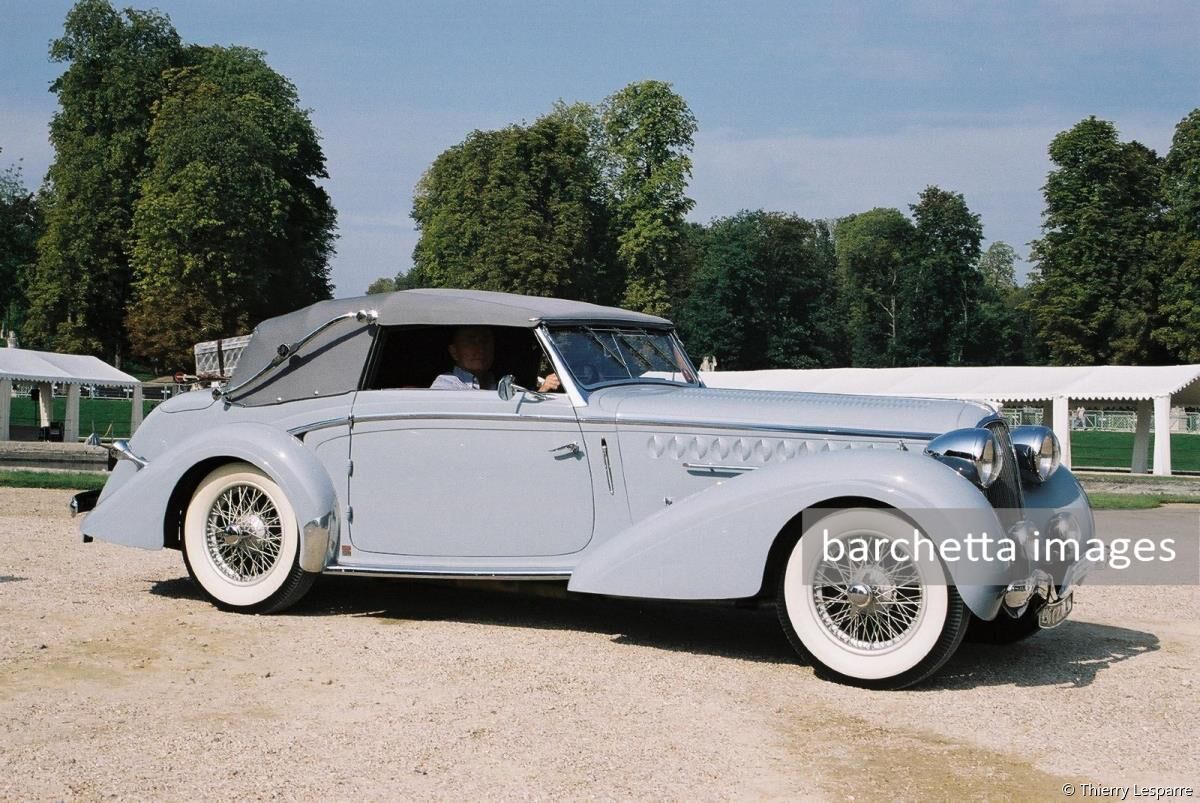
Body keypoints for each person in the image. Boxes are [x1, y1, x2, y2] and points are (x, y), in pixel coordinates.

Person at [431, 326, 560, 392]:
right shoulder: (445, 385)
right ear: (454, 352)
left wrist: (544, 389)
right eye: (471, 341)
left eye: (485, 341)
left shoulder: (501, 384)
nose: (480, 348)